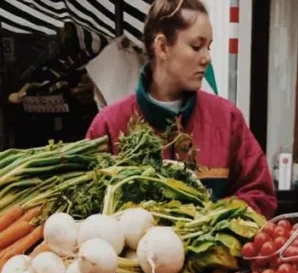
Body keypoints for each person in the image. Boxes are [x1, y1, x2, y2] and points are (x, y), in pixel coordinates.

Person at [87, 0, 276, 218]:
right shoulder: (110, 125)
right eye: (196, 46)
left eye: (209, 47)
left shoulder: (227, 119)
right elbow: (87, 208)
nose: (206, 58)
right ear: (162, 47)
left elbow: (260, 194)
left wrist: (209, 218)